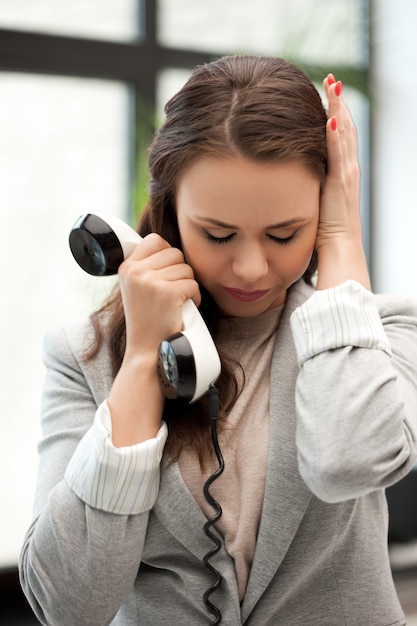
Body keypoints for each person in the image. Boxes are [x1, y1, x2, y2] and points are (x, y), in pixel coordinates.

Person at [19, 55, 417, 625]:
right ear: (171, 213)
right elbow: (67, 605)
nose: (252, 268)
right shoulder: (80, 356)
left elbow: (344, 461)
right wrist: (138, 364)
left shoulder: (388, 334)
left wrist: (342, 237)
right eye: (218, 234)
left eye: (285, 233)